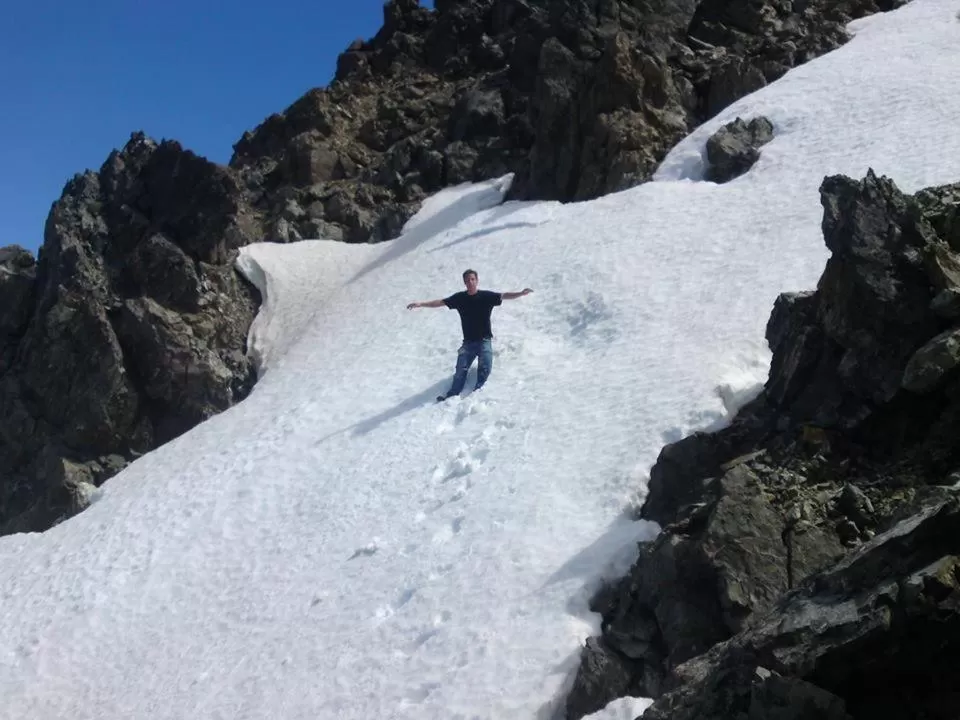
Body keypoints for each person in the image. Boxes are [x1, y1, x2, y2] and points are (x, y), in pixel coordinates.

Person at [407, 269, 533, 401]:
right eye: (467, 280)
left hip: (484, 340)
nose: (470, 282)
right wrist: (421, 304)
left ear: (477, 281)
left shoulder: (486, 296)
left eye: (472, 279)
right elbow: (441, 302)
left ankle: (478, 394)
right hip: (468, 343)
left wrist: (521, 293)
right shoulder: (460, 298)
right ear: (464, 282)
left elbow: (504, 295)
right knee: (460, 370)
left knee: (485, 368)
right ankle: (452, 395)